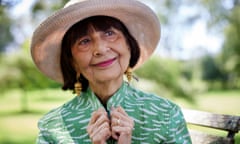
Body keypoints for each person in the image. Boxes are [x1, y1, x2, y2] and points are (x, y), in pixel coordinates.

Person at [31, 0, 192, 143]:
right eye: (84, 41)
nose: (100, 49)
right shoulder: (52, 127)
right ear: (72, 61)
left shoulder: (166, 114)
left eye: (109, 33)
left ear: (129, 45)